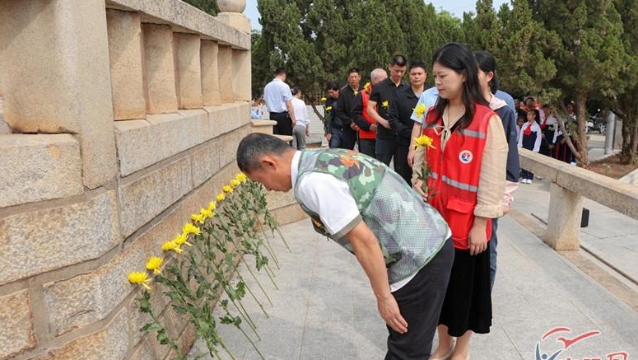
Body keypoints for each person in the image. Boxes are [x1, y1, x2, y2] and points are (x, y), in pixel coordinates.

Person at [236, 133, 454, 360]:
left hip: (418, 257)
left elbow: (364, 241)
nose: (268, 189)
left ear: (269, 163)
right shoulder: (320, 157)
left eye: (261, 181)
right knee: (411, 343)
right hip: (430, 236)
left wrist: (384, 298)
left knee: (407, 352)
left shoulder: (312, 182)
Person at [412, 43, 507, 360]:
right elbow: (422, 159)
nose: (437, 82)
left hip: (468, 225)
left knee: (465, 294)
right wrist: (419, 186)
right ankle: (443, 344)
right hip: (436, 222)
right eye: (435, 76)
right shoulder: (434, 115)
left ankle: (461, 349)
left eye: (442, 75)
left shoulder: (486, 120)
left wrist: (482, 222)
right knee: (439, 290)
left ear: (464, 75)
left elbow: (492, 178)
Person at [474, 50, 520, 291]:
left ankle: (484, 297)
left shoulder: (502, 110)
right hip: (463, 189)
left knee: (488, 246)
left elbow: (510, 159)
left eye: (475, 72)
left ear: (489, 75)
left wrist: (504, 198)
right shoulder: (460, 106)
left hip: (490, 191)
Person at [388, 61, 427, 185]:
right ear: (409, 76)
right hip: (403, 145)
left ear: (425, 75)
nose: (416, 77)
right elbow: (393, 120)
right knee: (404, 181)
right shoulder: (400, 96)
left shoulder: (433, 95)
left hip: (428, 145)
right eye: (413, 74)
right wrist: (412, 134)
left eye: (419, 74)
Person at [368, 55, 408, 164]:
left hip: (402, 137)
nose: (399, 74)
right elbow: (370, 108)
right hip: (384, 136)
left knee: (402, 170)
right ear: (389, 67)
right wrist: (383, 122)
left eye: (402, 71)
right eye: (396, 71)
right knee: (381, 168)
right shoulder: (379, 87)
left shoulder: (407, 88)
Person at [352, 68, 387, 157]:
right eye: (384, 79)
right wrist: (368, 126)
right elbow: (355, 114)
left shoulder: (388, 93)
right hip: (367, 137)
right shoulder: (362, 94)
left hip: (384, 137)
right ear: (375, 80)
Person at [334, 68, 363, 150]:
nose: (353, 79)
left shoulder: (364, 90)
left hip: (362, 127)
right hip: (348, 127)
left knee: (363, 151)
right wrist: (350, 122)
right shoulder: (343, 92)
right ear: (348, 78)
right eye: (351, 77)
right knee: (347, 152)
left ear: (359, 77)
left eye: (355, 77)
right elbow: (339, 111)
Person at [263, 68, 297, 135]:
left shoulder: (267, 86)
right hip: (283, 116)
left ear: (275, 75)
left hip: (272, 116)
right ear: (284, 75)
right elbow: (289, 104)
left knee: (276, 139)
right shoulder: (284, 86)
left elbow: (265, 101)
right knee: (286, 139)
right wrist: (293, 118)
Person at [518, 109, 542, 183]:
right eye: (528, 115)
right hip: (525, 144)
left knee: (531, 161)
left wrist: (536, 148)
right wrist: (520, 144)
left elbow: (538, 138)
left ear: (534, 116)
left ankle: (530, 176)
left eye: (530, 115)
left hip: (531, 145)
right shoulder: (525, 125)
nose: (529, 116)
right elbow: (521, 136)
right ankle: (524, 175)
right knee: (524, 161)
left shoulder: (536, 127)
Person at [324, 82, 340, 146]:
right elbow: (328, 118)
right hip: (334, 130)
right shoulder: (329, 100)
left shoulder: (343, 99)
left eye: (332, 92)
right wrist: (328, 132)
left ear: (337, 90)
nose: (331, 94)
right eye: (329, 92)